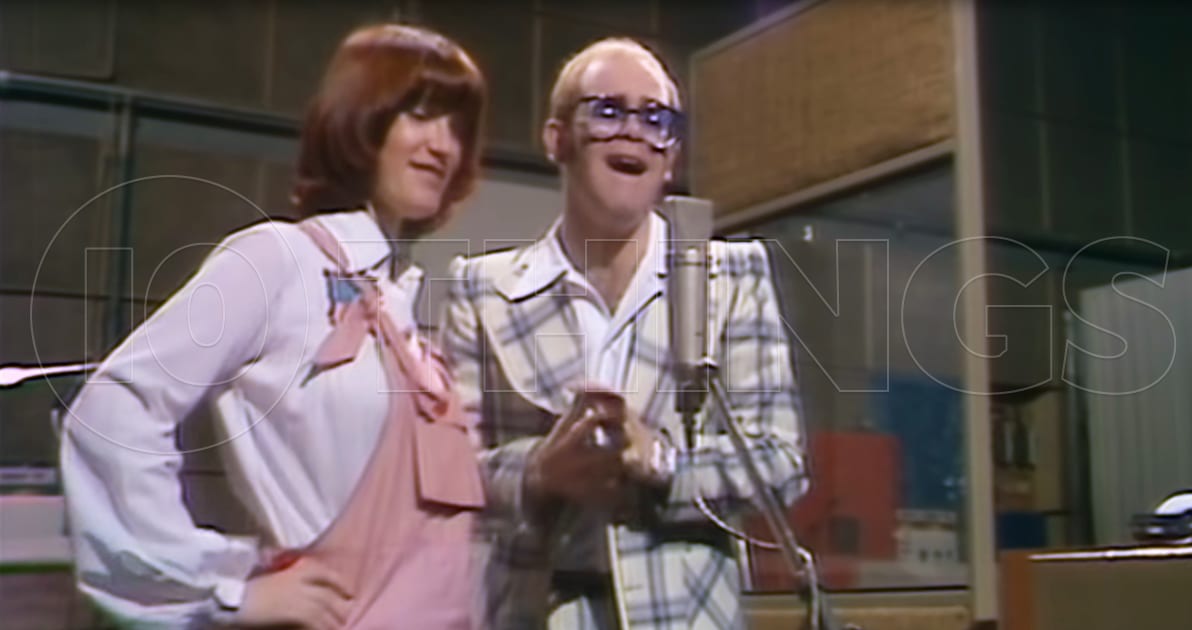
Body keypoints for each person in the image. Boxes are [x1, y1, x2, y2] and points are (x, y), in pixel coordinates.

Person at [62, 24, 486, 629]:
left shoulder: (405, 305)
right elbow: (112, 410)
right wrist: (225, 589)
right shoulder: (279, 261)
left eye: (457, 127)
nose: (443, 145)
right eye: (419, 115)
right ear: (361, 119)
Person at [440, 38, 810, 629]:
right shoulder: (481, 289)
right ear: (556, 139)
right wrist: (541, 472)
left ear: (673, 157)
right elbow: (453, 474)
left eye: (655, 119)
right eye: (608, 111)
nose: (634, 131)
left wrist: (659, 460)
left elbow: (780, 461)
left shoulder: (730, 277)